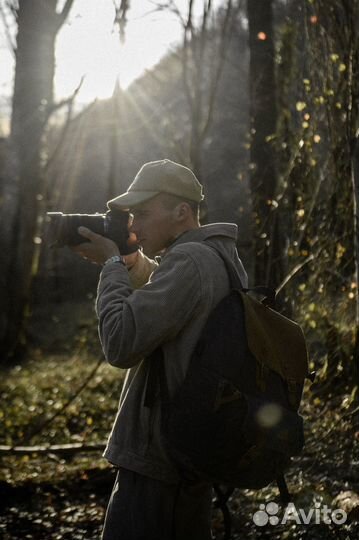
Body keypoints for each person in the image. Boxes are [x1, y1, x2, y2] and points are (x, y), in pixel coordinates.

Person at [74, 159, 248, 540]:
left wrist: (113, 265)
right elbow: (170, 295)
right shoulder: (216, 255)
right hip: (185, 453)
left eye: (142, 213)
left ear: (181, 211)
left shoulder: (189, 260)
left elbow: (120, 344)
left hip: (159, 461)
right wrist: (133, 264)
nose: (132, 224)